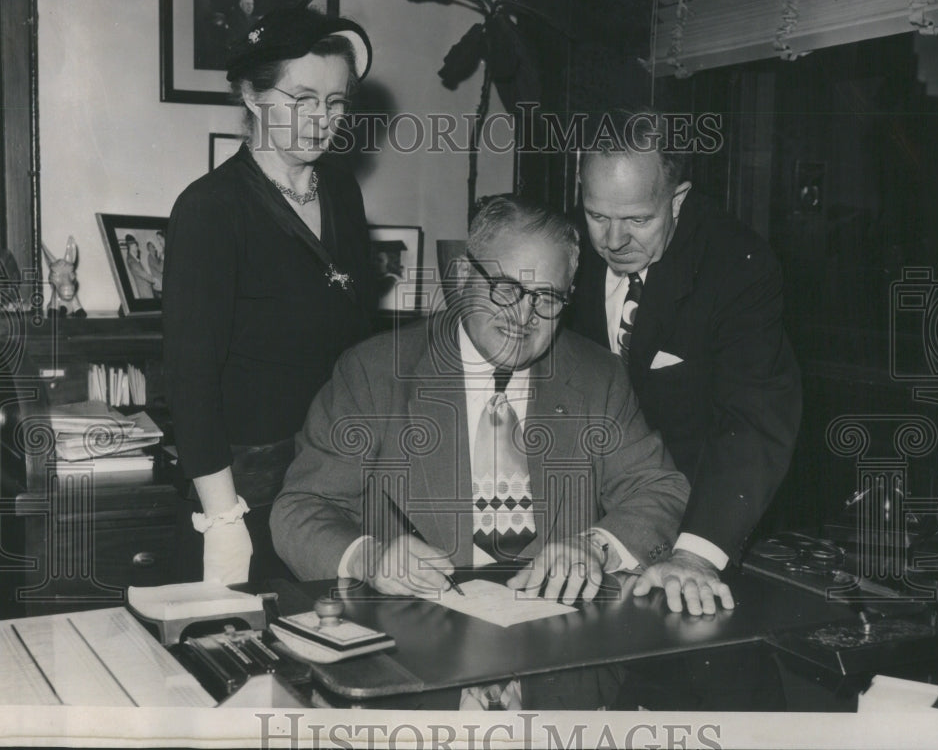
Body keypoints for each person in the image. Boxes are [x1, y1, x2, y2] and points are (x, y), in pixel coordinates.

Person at [271, 195, 690, 709]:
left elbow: (659, 486)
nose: (525, 316)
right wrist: (372, 557)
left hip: (562, 671)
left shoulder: (597, 376)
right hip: (411, 671)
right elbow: (298, 510)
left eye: (547, 297)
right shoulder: (375, 372)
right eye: (508, 289)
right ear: (465, 276)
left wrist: (594, 547)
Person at [568, 107, 802, 709]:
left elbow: (753, 423)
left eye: (637, 220)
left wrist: (694, 557)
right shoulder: (565, 248)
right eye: (597, 216)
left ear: (679, 198)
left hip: (700, 527)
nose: (613, 241)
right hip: (582, 535)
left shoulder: (737, 266)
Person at [163, 2, 375, 585]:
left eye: (334, 102)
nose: (321, 118)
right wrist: (223, 518)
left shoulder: (342, 196)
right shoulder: (212, 209)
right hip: (244, 497)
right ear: (252, 98)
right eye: (301, 98)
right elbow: (191, 378)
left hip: (331, 488)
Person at [124, 234, 155, 299]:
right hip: (144, 290)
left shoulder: (134, 258)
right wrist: (154, 280)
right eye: (135, 246)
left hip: (146, 288)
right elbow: (141, 273)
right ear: (131, 246)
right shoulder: (131, 260)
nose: (137, 248)